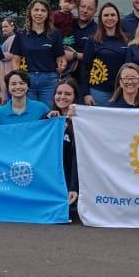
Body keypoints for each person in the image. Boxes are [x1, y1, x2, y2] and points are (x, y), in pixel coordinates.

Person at [7, 0, 68, 107]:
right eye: (36, 10)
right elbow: (15, 59)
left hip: (49, 80)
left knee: (48, 114)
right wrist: (19, 78)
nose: (39, 13)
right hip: (27, 80)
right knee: (30, 114)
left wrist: (62, 65)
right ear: (30, 12)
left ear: (48, 14)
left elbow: (61, 58)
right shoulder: (21, 35)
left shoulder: (55, 34)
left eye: (43, 10)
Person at [79, 2, 129, 106]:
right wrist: (86, 93)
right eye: (106, 15)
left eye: (112, 15)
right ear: (101, 18)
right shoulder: (92, 40)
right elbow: (85, 68)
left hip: (123, 91)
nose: (109, 18)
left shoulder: (127, 40)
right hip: (99, 91)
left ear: (118, 18)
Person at [47, 79, 81, 211]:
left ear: (75, 97)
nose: (62, 97)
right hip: (51, 180)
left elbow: (77, 159)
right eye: (59, 93)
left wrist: (74, 187)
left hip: (72, 178)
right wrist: (48, 123)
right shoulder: (48, 118)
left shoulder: (82, 121)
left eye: (67, 94)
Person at [63, 0, 99, 69]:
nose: (85, 11)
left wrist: (74, 55)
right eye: (82, 7)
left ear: (95, 11)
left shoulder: (98, 31)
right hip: (64, 74)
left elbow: (97, 57)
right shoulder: (66, 24)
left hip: (86, 76)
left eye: (90, 9)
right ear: (77, 7)